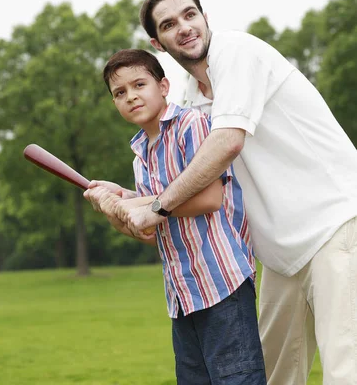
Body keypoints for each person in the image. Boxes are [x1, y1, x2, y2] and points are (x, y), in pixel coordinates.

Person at [108, 0, 357, 385]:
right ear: (158, 42)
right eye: (170, 24)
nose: (185, 27)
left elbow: (227, 142)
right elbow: (193, 187)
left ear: (206, 19)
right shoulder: (191, 100)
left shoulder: (236, 52)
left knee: (345, 371)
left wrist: (154, 208)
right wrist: (129, 200)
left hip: (337, 224)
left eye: (191, 15)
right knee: (273, 376)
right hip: (280, 253)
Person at [85, 48, 266, 385]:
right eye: (119, 93)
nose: (131, 96)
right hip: (182, 294)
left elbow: (210, 198)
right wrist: (118, 202)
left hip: (221, 283)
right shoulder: (141, 153)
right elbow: (150, 226)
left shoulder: (191, 124)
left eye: (139, 84)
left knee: (237, 380)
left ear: (164, 86)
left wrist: (136, 205)